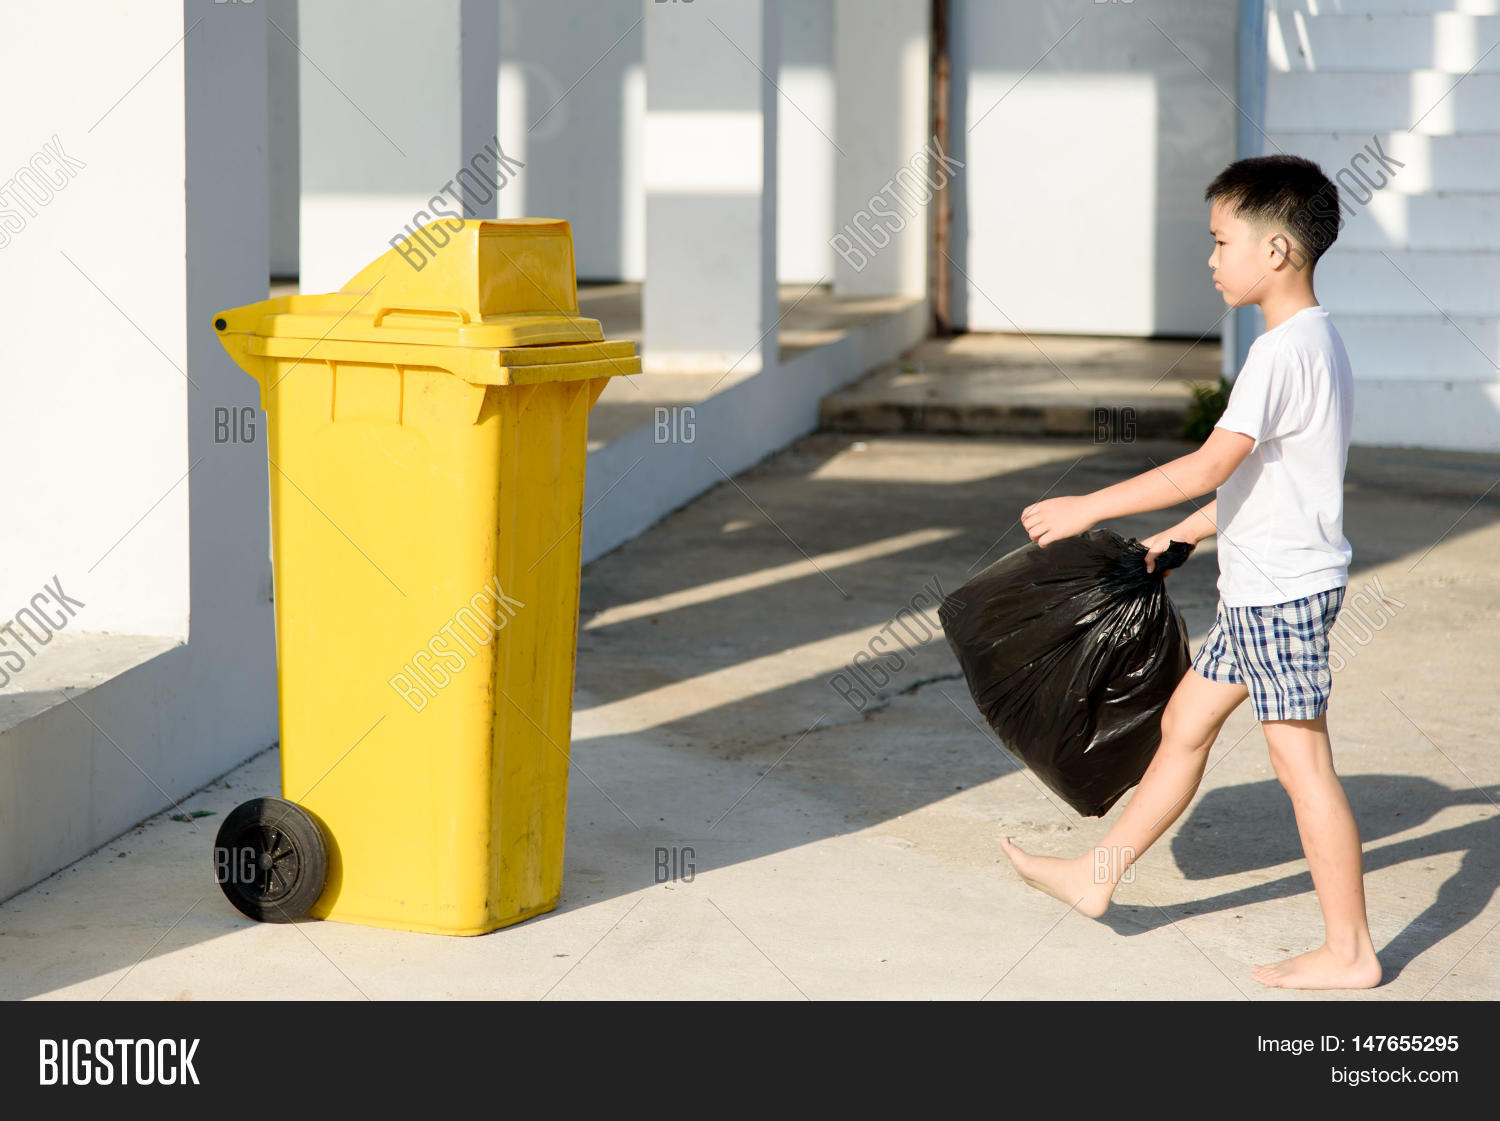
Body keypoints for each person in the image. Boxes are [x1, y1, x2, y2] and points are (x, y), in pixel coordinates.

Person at [1001, 154, 1380, 990]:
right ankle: (1099, 875)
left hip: (1281, 596)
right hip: (1262, 591)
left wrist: (1087, 506)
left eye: (1220, 241)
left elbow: (1213, 466)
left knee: (1303, 766)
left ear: (1277, 250)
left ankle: (1350, 950)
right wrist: (1180, 538)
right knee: (1184, 727)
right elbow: (1261, 485)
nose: (1210, 260)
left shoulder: (1281, 356)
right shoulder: (1317, 344)